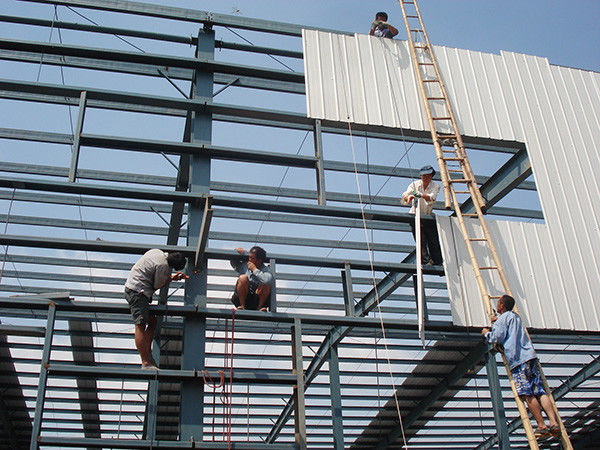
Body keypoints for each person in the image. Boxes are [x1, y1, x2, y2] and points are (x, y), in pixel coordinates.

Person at [482, 295, 560, 439]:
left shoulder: (503, 319)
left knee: (527, 393)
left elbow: (497, 337)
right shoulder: (515, 317)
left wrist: (487, 333)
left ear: (502, 306)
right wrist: (497, 321)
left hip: (518, 360)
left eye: (498, 303)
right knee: (540, 391)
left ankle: (541, 425)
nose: (497, 305)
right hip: (530, 357)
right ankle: (553, 422)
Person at [124, 249, 187, 368]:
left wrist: (169, 277)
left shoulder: (157, 252)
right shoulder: (163, 265)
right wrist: (171, 278)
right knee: (140, 325)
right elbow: (157, 285)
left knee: (153, 322)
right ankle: (145, 362)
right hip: (137, 293)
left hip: (134, 288)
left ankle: (148, 355)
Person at [401, 165, 442, 265]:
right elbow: (405, 195)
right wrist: (408, 198)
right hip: (415, 215)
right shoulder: (415, 184)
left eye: (427, 176)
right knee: (421, 240)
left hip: (427, 216)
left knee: (433, 240)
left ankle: (437, 261)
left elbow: (432, 198)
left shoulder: (435, 186)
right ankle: (425, 261)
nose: (425, 178)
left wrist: (421, 195)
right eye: (423, 176)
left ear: (431, 176)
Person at [230, 246, 274, 312]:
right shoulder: (245, 265)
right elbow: (234, 263)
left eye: (252, 258)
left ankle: (259, 308)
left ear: (259, 260)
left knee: (265, 283)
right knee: (243, 278)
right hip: (244, 297)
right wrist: (236, 251)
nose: (249, 260)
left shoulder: (266, 269)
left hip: (257, 299)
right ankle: (242, 306)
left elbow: (267, 280)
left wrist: (254, 270)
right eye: (249, 257)